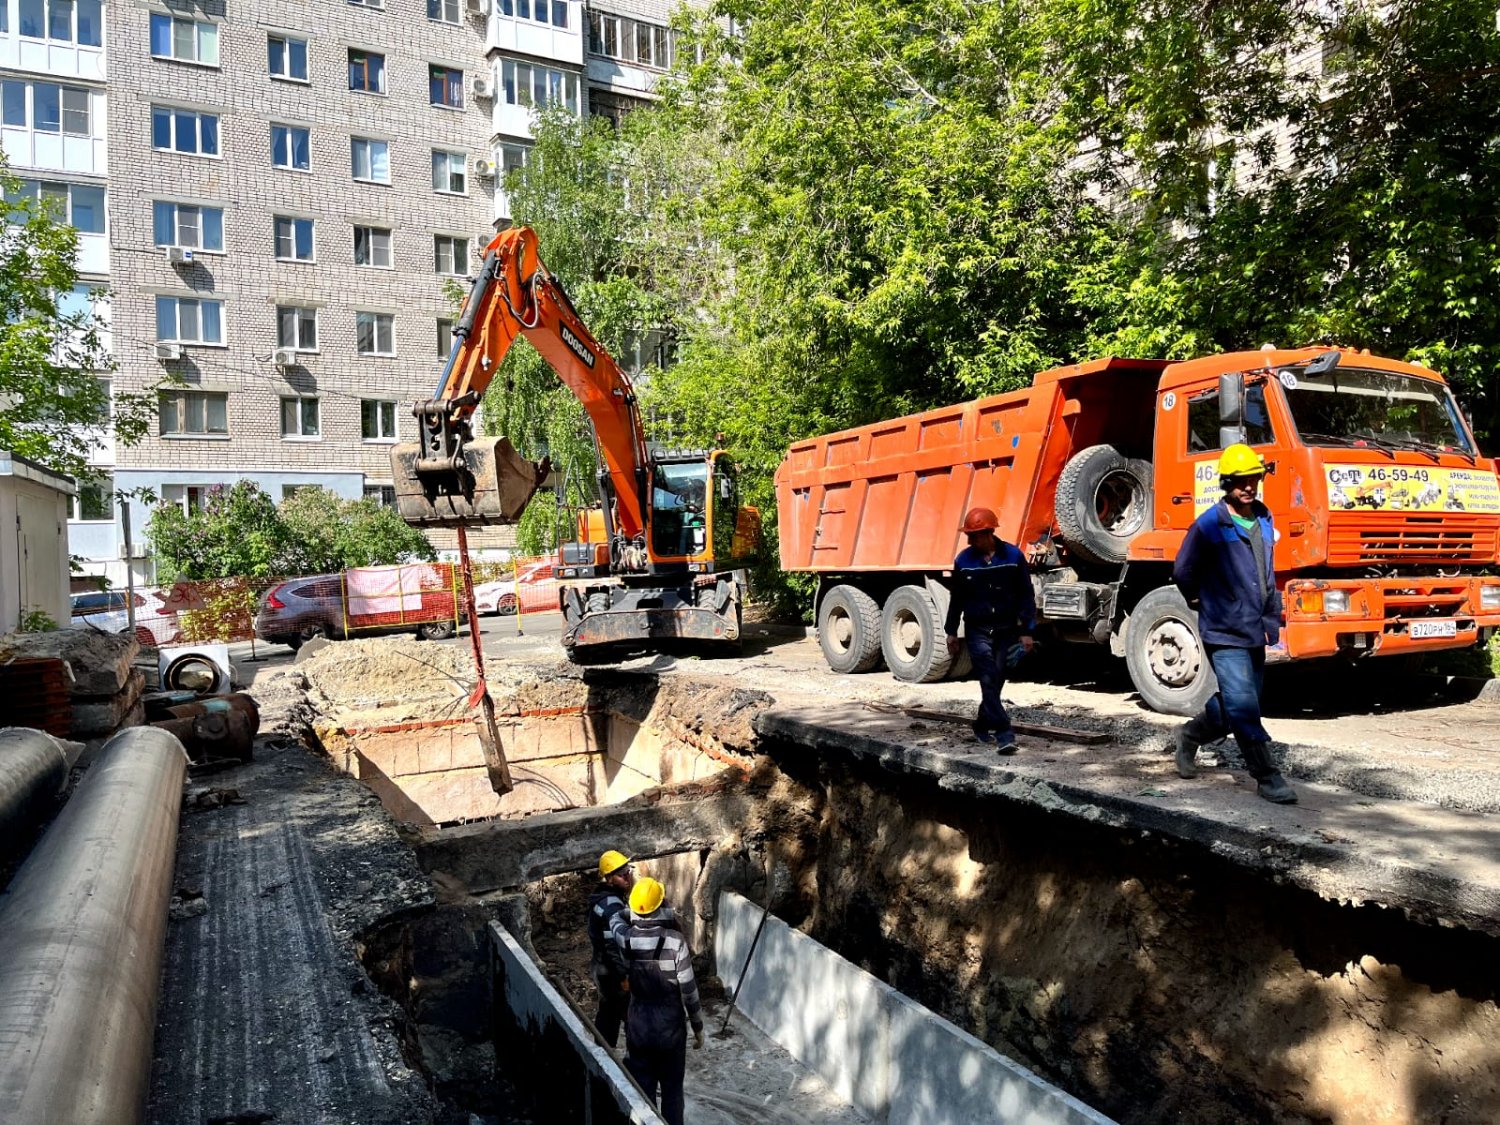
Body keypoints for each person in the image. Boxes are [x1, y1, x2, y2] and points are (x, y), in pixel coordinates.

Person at [1172, 443, 1297, 804]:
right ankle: (1267, 777)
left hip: (1255, 626)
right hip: (1224, 627)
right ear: (1227, 482)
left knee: (1241, 702)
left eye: (1253, 479)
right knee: (1244, 706)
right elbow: (1183, 569)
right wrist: (1197, 598)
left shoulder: (1263, 517)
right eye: (1241, 481)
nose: (1249, 487)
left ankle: (1191, 735)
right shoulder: (1211, 523)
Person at [943, 507, 1036, 751]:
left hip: (1006, 629)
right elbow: (957, 598)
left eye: (972, 535)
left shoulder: (1013, 557)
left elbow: (1026, 595)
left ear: (987, 533)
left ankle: (981, 725)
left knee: (997, 678)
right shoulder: (964, 561)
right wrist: (951, 631)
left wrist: (1028, 630)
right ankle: (1005, 734)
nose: (968, 540)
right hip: (977, 629)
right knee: (987, 677)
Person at [615, 877, 703, 1125]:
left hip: (639, 1026)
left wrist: (630, 911)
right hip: (670, 1030)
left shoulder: (626, 939)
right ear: (660, 905)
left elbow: (615, 921)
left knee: (643, 1092)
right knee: (673, 1091)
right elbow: (689, 990)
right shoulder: (675, 941)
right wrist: (697, 1027)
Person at [586, 850, 635, 1048]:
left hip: (601, 968)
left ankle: (602, 1055)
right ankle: (635, 1064)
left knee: (608, 1013)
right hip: (612, 973)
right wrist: (624, 977)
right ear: (609, 879)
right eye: (622, 875)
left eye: (627, 872)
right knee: (632, 1017)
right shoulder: (612, 906)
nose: (627, 878)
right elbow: (613, 946)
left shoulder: (601, 897)